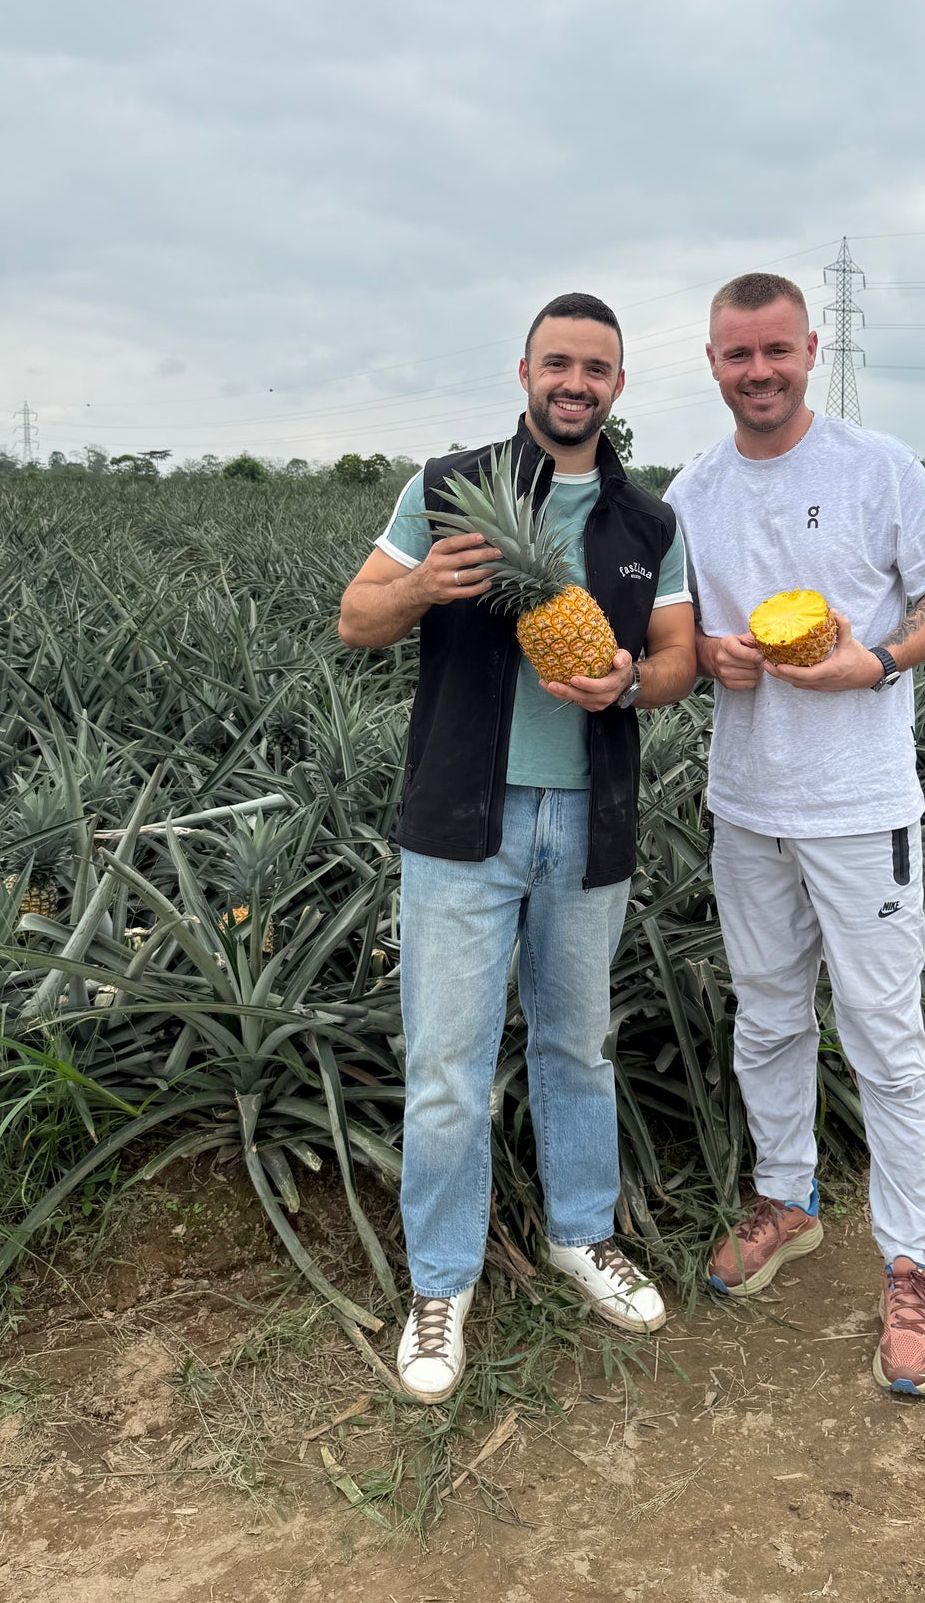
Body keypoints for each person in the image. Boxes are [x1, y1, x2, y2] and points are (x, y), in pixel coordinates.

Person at [338, 293, 697, 1403]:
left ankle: (579, 1233)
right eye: (558, 362)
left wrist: (630, 678)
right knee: (446, 1063)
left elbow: (680, 656)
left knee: (577, 1043)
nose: (574, 381)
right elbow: (355, 618)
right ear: (527, 371)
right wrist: (422, 585)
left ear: (619, 385)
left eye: (596, 366)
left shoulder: (646, 519)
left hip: (590, 820)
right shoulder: (446, 487)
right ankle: (440, 1281)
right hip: (462, 821)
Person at [664, 272, 925, 1399]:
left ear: (809, 348)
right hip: (747, 803)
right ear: (711, 361)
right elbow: (679, 633)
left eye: (776, 352)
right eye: (736, 355)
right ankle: (787, 1198)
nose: (758, 372)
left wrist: (878, 659)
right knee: (766, 1013)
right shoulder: (690, 489)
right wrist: (710, 656)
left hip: (860, 806)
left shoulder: (876, 464)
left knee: (885, 1030)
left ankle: (911, 1259)